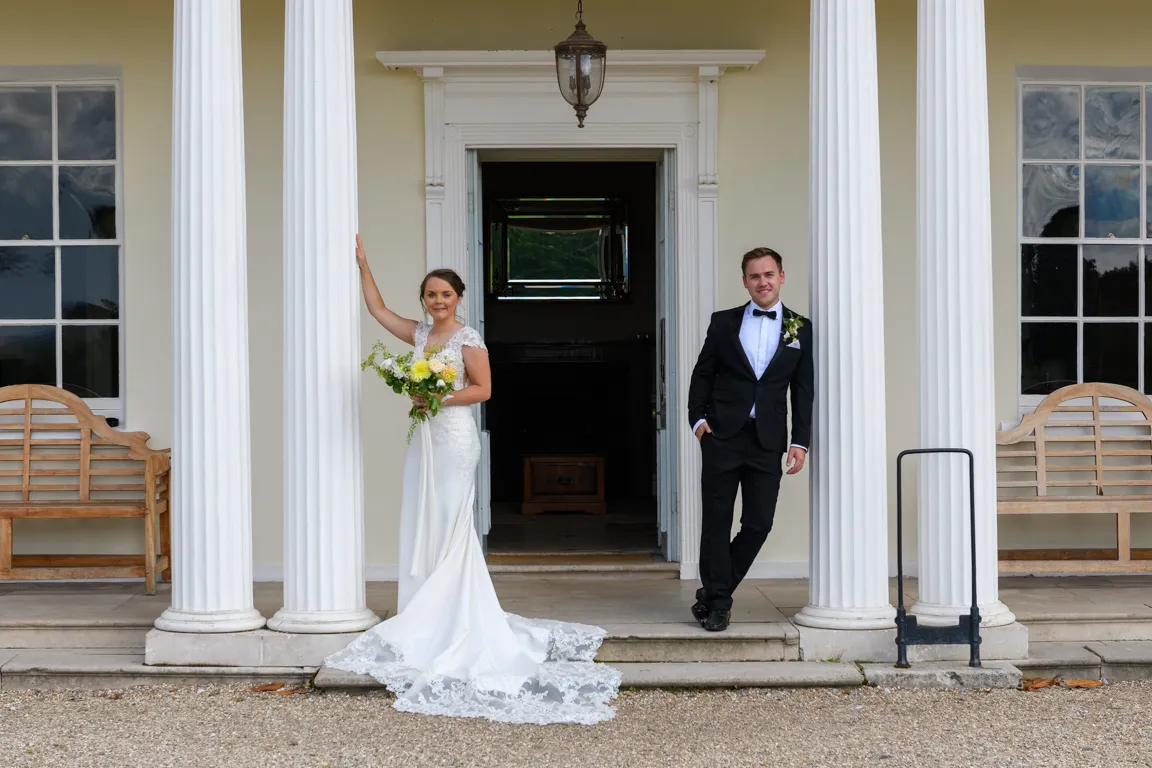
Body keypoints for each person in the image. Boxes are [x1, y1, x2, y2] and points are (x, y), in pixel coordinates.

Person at [325, 234, 620, 725]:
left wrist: (438, 398)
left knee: (451, 521)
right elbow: (377, 311)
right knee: (425, 517)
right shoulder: (420, 335)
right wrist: (362, 264)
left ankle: (452, 616)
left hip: (456, 440)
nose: (437, 301)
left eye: (445, 294)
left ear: (458, 297)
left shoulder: (468, 338)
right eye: (430, 294)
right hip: (425, 441)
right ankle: (424, 611)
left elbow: (483, 389)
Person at [686, 247, 814, 632]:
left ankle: (713, 590)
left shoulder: (799, 328)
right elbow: (702, 375)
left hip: (767, 440)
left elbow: (802, 391)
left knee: (758, 523)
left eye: (769, 274)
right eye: (755, 276)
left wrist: (800, 441)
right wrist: (698, 421)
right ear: (745, 281)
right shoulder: (723, 322)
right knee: (716, 522)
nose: (763, 282)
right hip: (722, 435)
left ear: (781, 277)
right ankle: (720, 605)